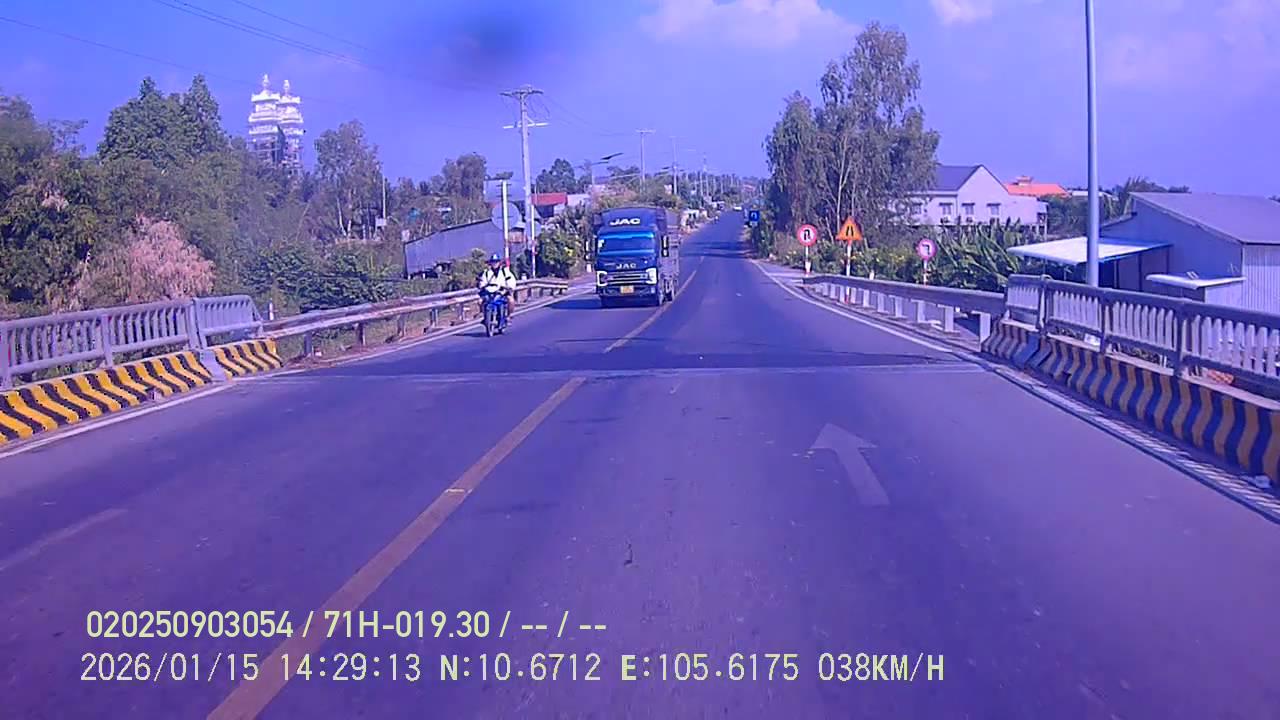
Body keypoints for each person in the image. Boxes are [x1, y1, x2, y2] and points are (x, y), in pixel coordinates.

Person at [477, 253, 517, 328]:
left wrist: (509, 287)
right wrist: (481, 286)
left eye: (496, 262)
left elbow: (511, 280)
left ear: (499, 262)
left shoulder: (504, 271)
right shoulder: (486, 272)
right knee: (480, 301)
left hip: (502, 291)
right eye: (493, 262)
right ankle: (485, 316)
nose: (494, 264)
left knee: (511, 300)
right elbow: (482, 282)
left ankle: (508, 316)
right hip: (490, 292)